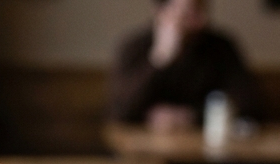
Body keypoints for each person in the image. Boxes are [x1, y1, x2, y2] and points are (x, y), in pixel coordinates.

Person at [110, 0, 263, 131]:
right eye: (190, 13)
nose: (202, 20)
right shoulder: (134, 47)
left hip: (208, 155)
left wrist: (191, 116)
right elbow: (119, 113)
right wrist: (159, 58)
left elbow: (248, 103)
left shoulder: (220, 47)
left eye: (202, 10)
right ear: (160, 12)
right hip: (142, 152)